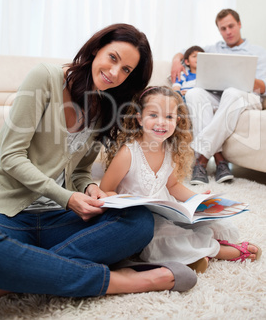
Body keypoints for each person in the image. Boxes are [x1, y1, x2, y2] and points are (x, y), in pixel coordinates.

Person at [0, 24, 196, 299]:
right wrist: (67, 197)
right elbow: (9, 156)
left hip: (59, 218)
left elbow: (79, 170)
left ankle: (22, 274)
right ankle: (123, 281)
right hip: (8, 215)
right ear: (95, 49)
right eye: (113, 58)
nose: (115, 73)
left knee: (138, 221)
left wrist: (89, 188)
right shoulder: (45, 78)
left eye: (126, 70)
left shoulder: (104, 108)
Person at [100, 86, 262, 273]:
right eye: (153, 115)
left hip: (166, 209)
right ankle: (219, 252)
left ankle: (198, 253)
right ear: (139, 118)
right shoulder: (129, 152)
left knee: (214, 223)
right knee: (165, 236)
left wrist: (199, 199)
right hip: (139, 217)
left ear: (177, 121)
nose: (161, 123)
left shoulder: (169, 150)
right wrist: (130, 203)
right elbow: (105, 190)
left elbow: (173, 185)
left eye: (168, 117)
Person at [170, 9, 266, 184]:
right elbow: (183, 52)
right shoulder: (212, 49)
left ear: (239, 24)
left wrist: (242, 77)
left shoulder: (258, 52)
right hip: (218, 96)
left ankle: (201, 160)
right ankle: (220, 161)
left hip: (248, 96)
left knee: (231, 91)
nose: (228, 32)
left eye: (231, 26)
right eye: (223, 28)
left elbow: (263, 86)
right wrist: (177, 61)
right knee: (194, 93)